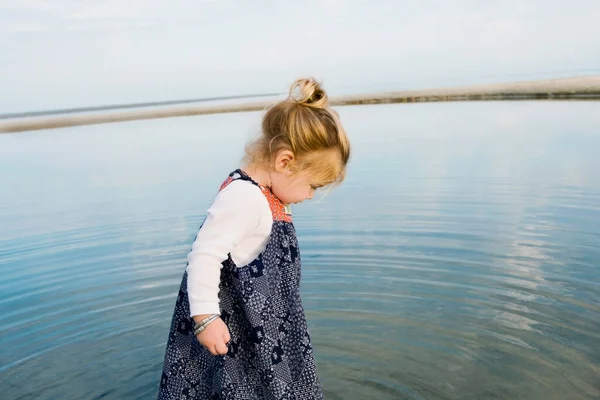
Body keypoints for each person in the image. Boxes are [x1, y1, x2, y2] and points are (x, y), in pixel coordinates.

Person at [157, 77, 351, 400]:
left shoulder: (266, 195)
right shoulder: (244, 199)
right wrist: (205, 319)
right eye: (312, 185)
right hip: (240, 342)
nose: (309, 196)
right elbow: (204, 255)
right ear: (284, 162)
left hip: (264, 340)